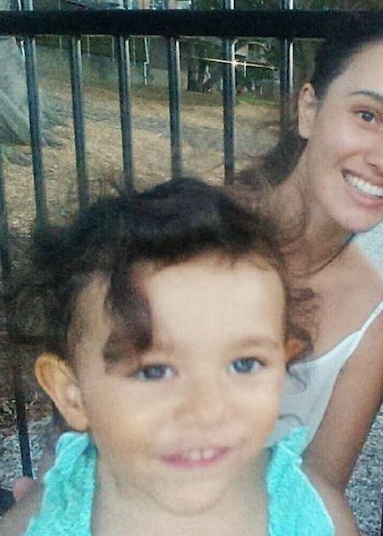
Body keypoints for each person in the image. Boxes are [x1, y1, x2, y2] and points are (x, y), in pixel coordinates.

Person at [1, 14, 383, 536]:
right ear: (309, 108)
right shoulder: (176, 237)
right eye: (368, 115)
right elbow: (86, 397)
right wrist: (62, 502)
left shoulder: (377, 320)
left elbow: (314, 496)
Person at [11, 178, 334, 536]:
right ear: (72, 394)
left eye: (245, 364)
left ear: (283, 362)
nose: (208, 410)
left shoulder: (306, 510)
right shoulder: (50, 517)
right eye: (154, 371)